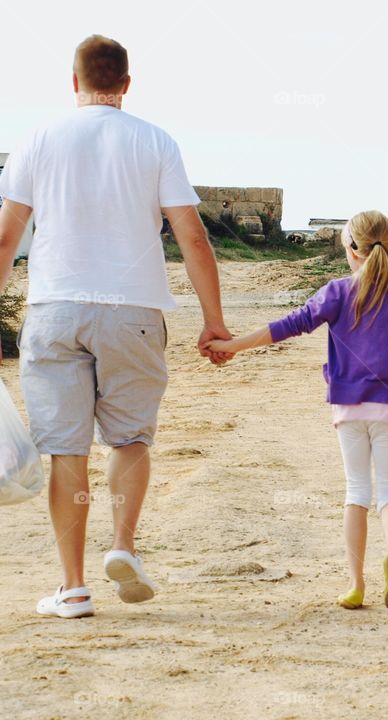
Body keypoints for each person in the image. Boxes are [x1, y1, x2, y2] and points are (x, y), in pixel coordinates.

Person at [0, 35, 234, 619]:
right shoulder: (155, 141)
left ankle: (73, 586)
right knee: (130, 437)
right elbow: (193, 237)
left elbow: (7, 239)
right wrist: (214, 322)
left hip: (55, 308)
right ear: (127, 84)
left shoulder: (37, 139)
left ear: (73, 82)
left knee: (65, 448)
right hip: (133, 310)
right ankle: (123, 546)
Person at [205, 210, 388, 612]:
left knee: (356, 492)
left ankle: (355, 585)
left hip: (348, 408)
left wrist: (230, 346)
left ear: (350, 249)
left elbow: (288, 325)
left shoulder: (336, 292)